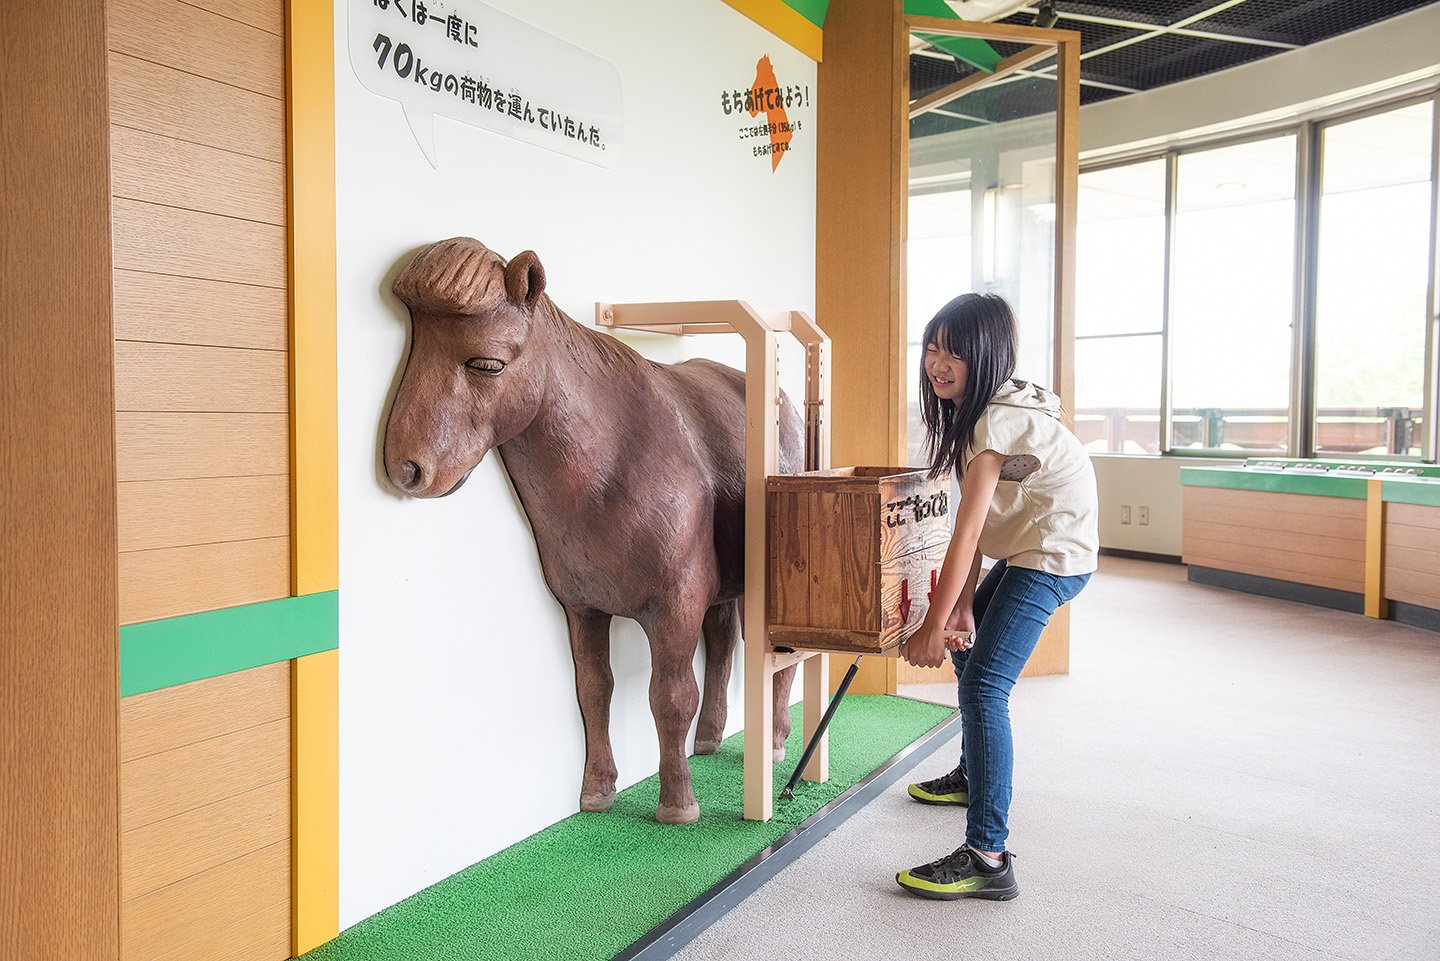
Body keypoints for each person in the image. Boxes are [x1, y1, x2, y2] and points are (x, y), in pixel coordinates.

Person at [896, 292, 1098, 902]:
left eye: (954, 349)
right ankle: (974, 772)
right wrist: (957, 610)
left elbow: (964, 531)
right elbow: (981, 525)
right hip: (1029, 547)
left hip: (1054, 557)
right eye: (932, 347)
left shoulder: (996, 419)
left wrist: (933, 623)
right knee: (971, 645)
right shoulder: (976, 415)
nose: (938, 362)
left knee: (985, 685)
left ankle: (987, 855)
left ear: (986, 355)